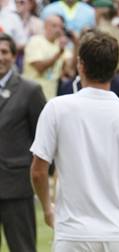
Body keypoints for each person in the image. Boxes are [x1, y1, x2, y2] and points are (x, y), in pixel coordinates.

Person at [30, 30, 119, 251]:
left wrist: (49, 211)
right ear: (115, 68)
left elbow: (38, 172)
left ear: (80, 65)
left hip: (72, 234)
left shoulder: (56, 108)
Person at [0, 33, 46, 252]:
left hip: (16, 186)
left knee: (22, 248)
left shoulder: (30, 91)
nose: (0, 57)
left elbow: (43, 139)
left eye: (4, 52)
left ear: (13, 55)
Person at [23, 15, 72, 100]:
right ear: (45, 26)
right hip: (30, 96)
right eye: (54, 26)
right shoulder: (35, 41)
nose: (58, 29)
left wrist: (76, 42)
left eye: (61, 27)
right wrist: (59, 53)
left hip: (50, 98)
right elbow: (40, 68)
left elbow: (69, 71)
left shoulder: (60, 45)